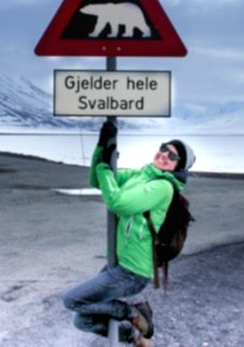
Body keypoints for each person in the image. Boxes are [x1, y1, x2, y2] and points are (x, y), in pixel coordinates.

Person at [62, 121, 196, 346]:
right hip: (119, 265)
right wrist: (102, 147)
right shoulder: (141, 175)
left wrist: (105, 167)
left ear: (178, 167)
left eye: (172, 157)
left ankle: (131, 313)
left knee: (71, 300)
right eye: (164, 148)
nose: (164, 155)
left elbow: (118, 203)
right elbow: (97, 180)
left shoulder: (162, 187)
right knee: (81, 320)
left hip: (132, 271)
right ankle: (134, 338)